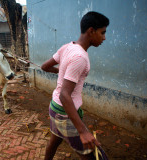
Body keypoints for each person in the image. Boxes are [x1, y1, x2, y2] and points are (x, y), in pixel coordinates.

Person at [41, 11, 109, 160]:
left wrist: (61, 70)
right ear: (91, 31)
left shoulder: (67, 47)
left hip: (54, 108)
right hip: (64, 113)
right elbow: (65, 95)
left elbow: (44, 66)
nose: (104, 37)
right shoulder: (80, 57)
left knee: (54, 141)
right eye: (102, 32)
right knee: (96, 156)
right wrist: (83, 131)